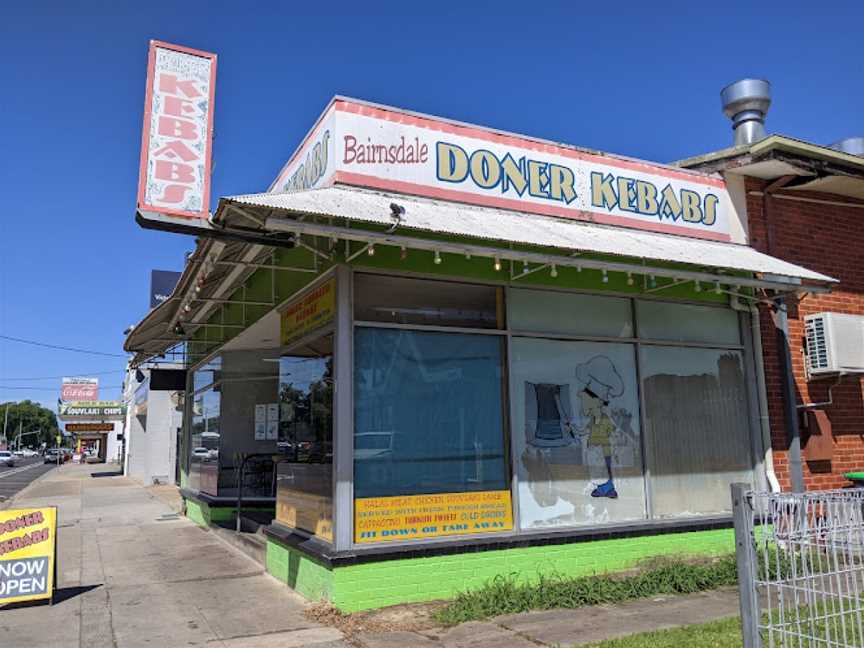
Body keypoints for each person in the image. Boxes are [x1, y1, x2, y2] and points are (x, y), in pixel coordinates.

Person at [574, 356, 624, 499]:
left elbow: (613, 432)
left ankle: (609, 489)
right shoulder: (592, 420)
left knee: (605, 469)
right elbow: (585, 430)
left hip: (603, 449)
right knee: (597, 470)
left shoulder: (604, 418)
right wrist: (576, 430)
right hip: (593, 448)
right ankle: (603, 489)